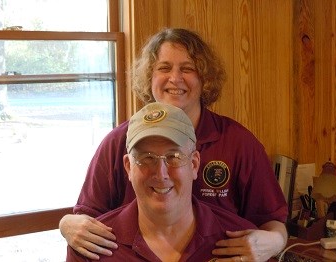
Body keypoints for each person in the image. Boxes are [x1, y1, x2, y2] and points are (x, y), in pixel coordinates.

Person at [60, 28, 288, 261]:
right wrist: (66, 224)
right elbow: (86, 218)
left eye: (187, 68)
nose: (175, 78)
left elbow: (271, 218)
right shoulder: (118, 142)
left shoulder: (238, 142)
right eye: (164, 68)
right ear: (149, 76)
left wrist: (276, 241)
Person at [66, 102, 259, 261]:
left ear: (194, 164)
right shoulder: (90, 248)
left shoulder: (244, 245)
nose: (160, 173)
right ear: (128, 167)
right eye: (146, 158)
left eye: (174, 156)